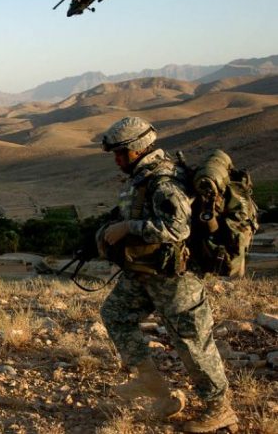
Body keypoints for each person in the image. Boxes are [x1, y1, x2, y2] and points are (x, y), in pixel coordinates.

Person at [96, 117, 238, 433]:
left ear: (136, 149)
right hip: (144, 274)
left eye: (120, 153)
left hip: (176, 280)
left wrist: (127, 229)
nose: (117, 160)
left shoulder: (163, 182)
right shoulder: (142, 177)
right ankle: (154, 387)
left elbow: (178, 229)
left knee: (192, 344)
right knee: (115, 314)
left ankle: (220, 409)